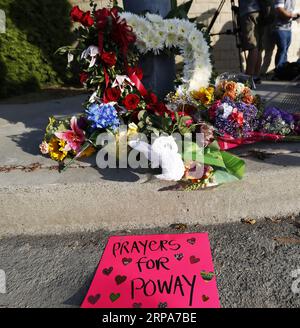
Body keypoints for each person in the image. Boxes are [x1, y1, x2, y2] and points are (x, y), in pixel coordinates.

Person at [238, 0, 263, 80]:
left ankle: (248, 77)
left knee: (252, 46)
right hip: (259, 11)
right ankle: (256, 75)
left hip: (248, 11)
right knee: (258, 46)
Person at [274, 0, 300, 69]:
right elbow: (279, 8)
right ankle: (279, 71)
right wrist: (292, 15)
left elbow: (289, 11)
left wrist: (295, 16)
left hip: (288, 28)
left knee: (285, 50)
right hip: (279, 27)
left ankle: (283, 71)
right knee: (282, 50)